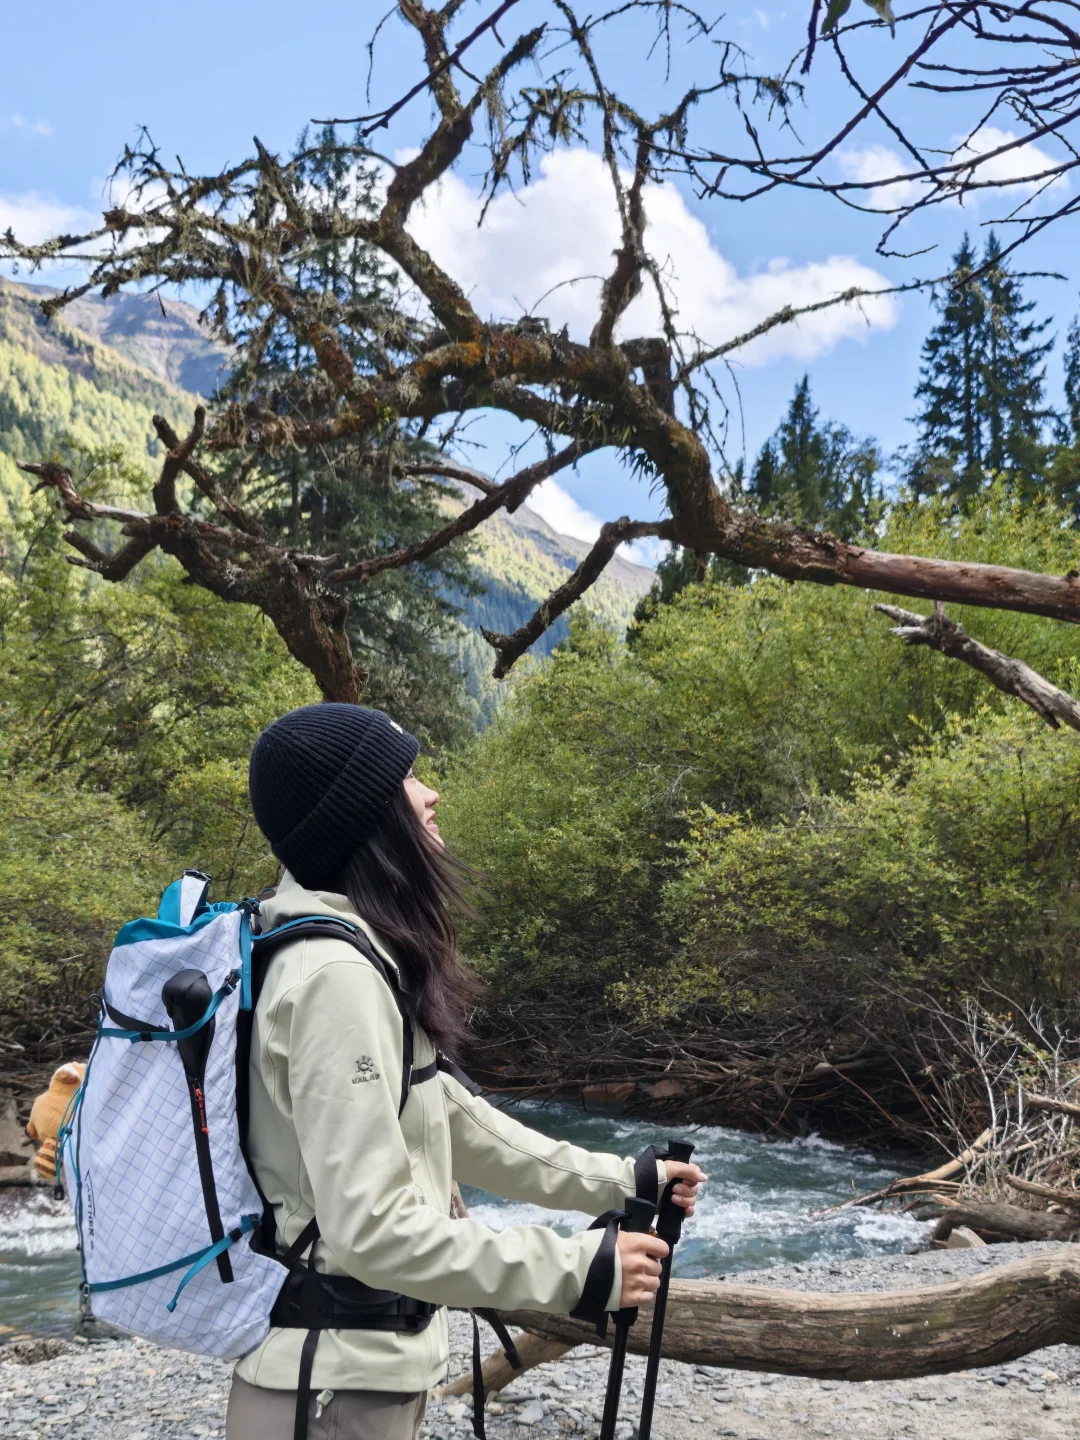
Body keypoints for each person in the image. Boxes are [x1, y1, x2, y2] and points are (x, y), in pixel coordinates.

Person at [230, 702, 705, 1440]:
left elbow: (447, 1117)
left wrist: (623, 1181)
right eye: (407, 778)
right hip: (330, 1391)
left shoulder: (351, 955)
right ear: (364, 817)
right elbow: (373, 1235)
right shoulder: (334, 979)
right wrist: (580, 1270)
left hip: (351, 1375)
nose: (430, 793)